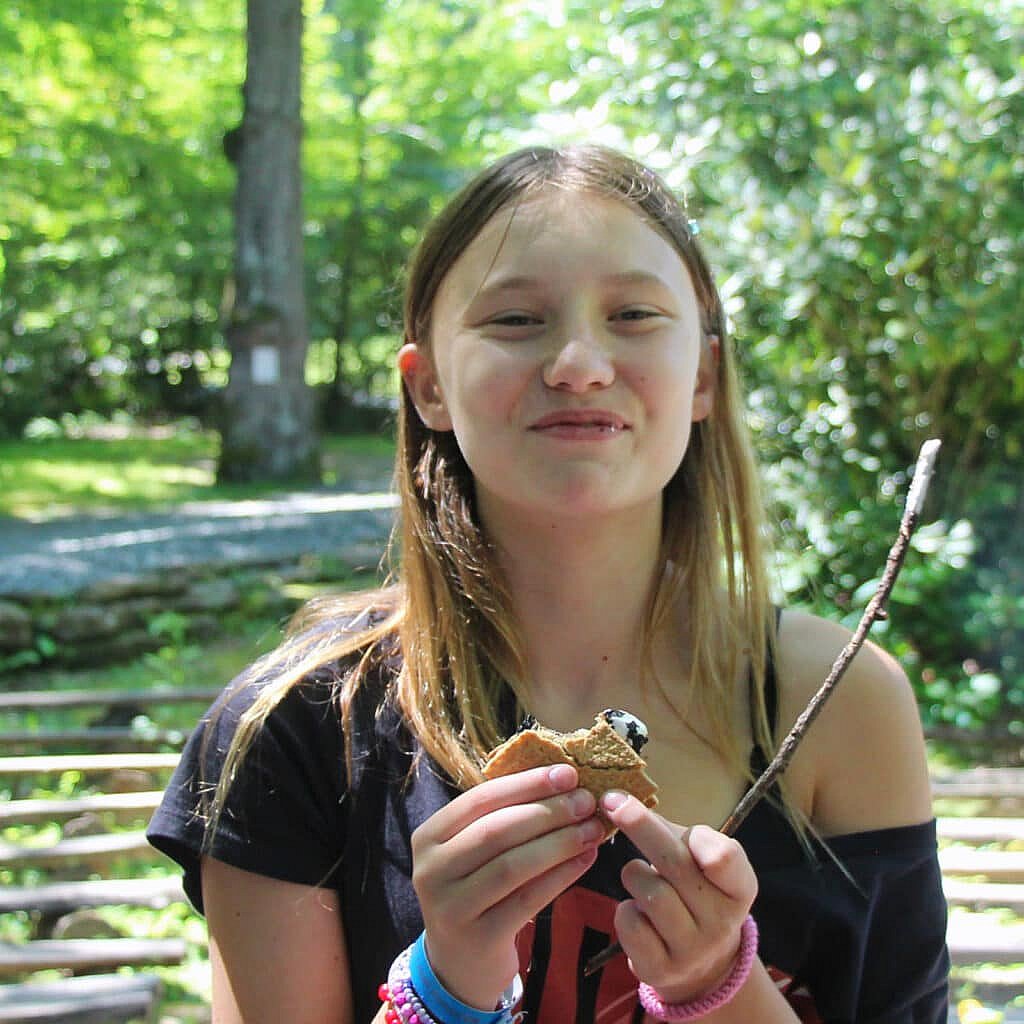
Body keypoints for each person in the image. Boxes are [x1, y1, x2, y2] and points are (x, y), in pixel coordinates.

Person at [148, 144, 950, 1023]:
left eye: (635, 314)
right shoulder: (294, 727)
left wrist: (716, 986)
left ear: (705, 378)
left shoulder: (836, 707)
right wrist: (446, 985)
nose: (577, 363)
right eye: (515, 320)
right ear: (429, 391)